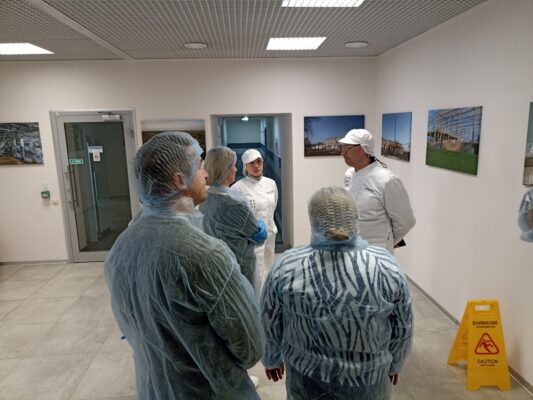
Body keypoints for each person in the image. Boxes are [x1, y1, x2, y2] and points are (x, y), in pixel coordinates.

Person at [104, 132, 263, 400]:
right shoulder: (205, 255)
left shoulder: (121, 247)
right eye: (199, 167)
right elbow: (249, 348)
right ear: (179, 180)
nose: (206, 175)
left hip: (154, 388)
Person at [261, 186, 413, 400]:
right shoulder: (385, 265)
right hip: (369, 382)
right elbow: (403, 325)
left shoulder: (287, 265)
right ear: (355, 218)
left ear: (313, 220)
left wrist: (271, 358)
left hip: (306, 380)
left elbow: (269, 319)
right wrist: (396, 363)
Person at [200, 146, 267, 292]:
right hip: (239, 265)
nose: (236, 170)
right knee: (244, 300)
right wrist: (261, 227)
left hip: (215, 263)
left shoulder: (204, 197)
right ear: (225, 170)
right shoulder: (235, 203)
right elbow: (258, 236)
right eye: (233, 166)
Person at [339, 129, 415, 253]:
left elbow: (406, 221)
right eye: (343, 148)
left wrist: (387, 242)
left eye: (348, 148)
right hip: (352, 248)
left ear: (364, 149)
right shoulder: (349, 174)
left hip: (376, 252)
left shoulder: (387, 180)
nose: (343, 153)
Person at [232, 149, 278, 287]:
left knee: (269, 267)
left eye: (259, 161)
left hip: (270, 233)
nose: (256, 166)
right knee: (255, 271)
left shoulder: (271, 184)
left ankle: (267, 294)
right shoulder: (237, 188)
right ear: (245, 166)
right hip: (251, 239)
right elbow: (235, 218)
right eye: (251, 163)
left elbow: (273, 205)